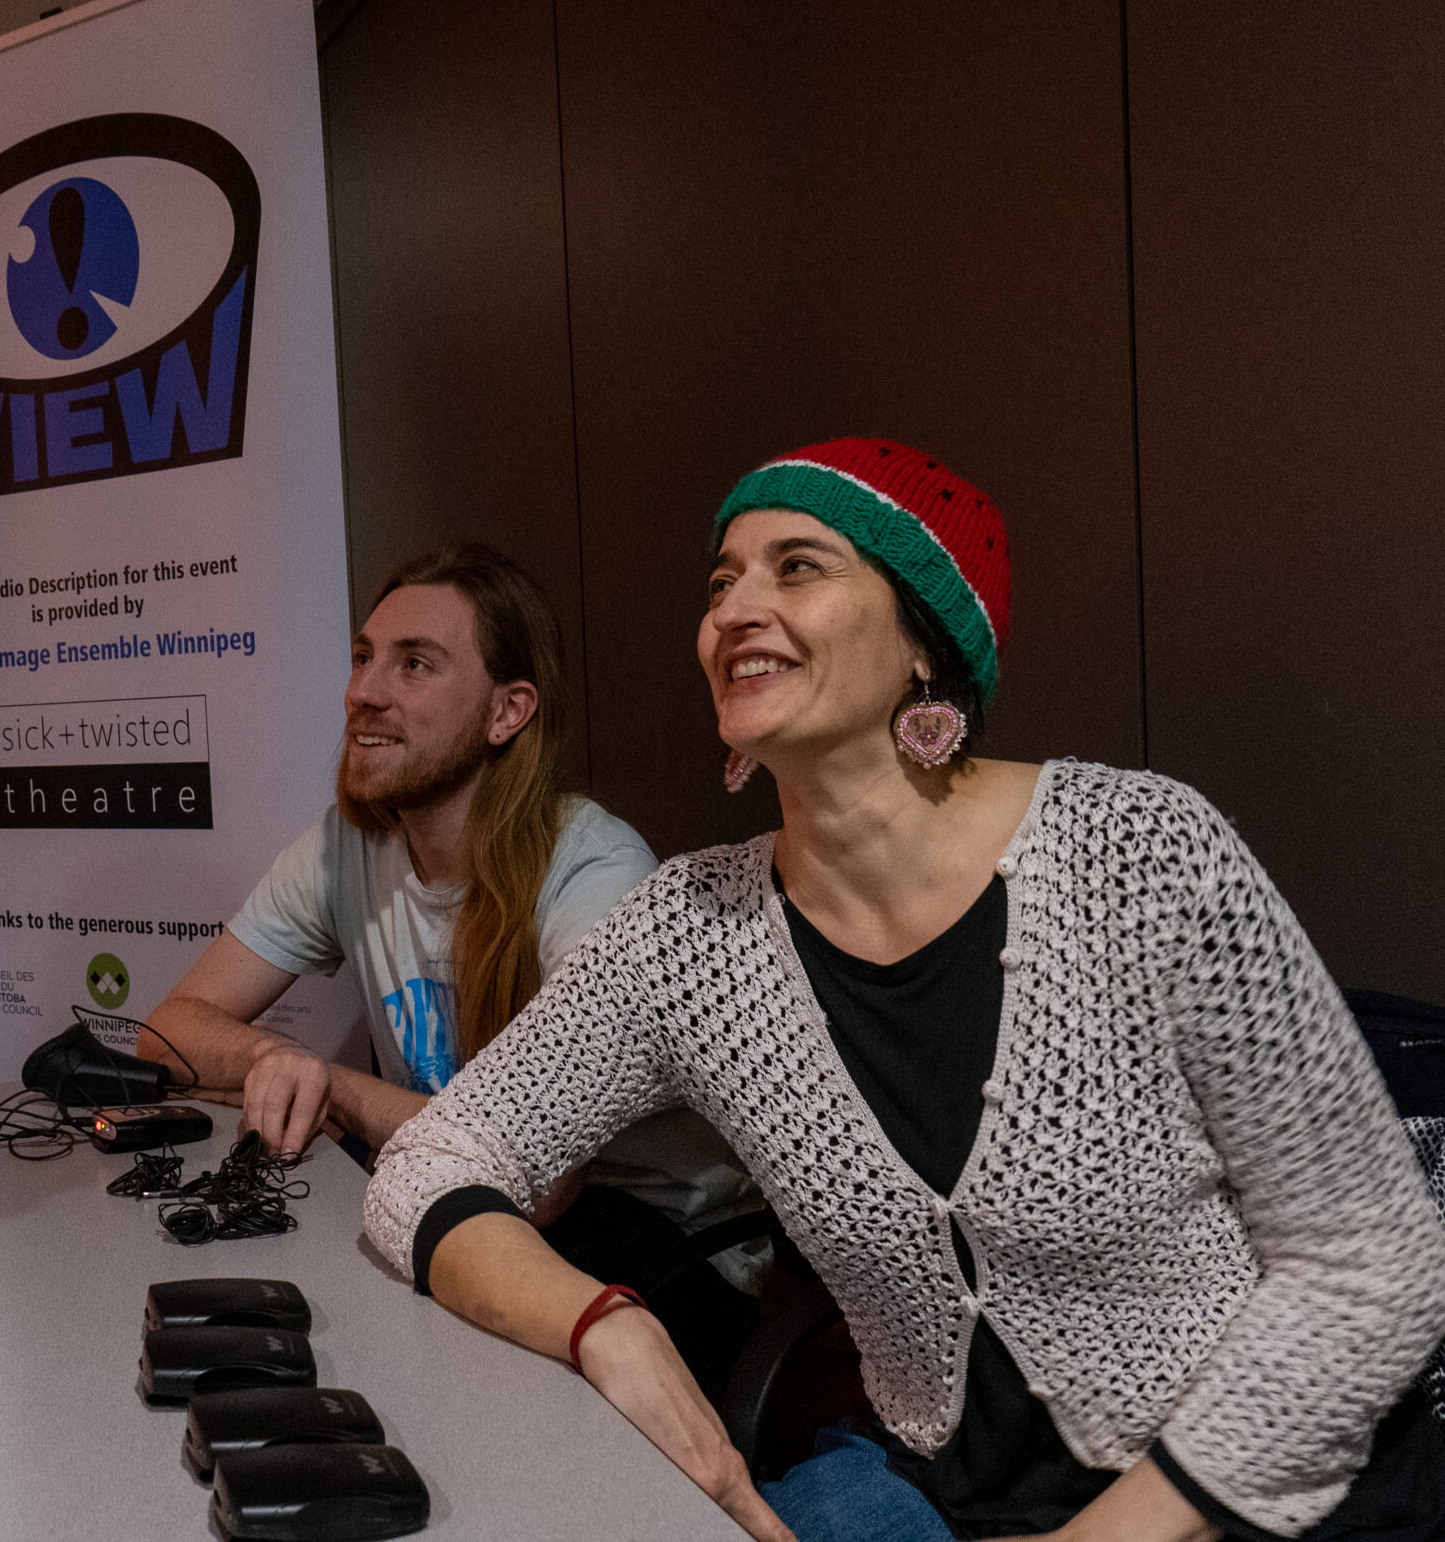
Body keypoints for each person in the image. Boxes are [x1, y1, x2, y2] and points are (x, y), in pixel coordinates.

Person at [365, 439, 1445, 1542]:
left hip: (1253, 1494)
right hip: (943, 1493)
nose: (737, 607)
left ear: (924, 644)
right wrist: (601, 1322)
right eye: (720, 581)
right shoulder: (686, 936)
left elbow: (1375, 1266)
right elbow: (432, 1167)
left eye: (798, 567)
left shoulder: (1140, 851)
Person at [141, 543, 765, 1385]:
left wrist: (338, 1088)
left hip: (658, 1248)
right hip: (473, 1203)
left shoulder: (593, 870)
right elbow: (167, 1031)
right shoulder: (345, 846)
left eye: (415, 665)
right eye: (365, 657)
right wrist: (270, 1059)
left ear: (507, 711)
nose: (365, 691)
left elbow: (542, 1182)